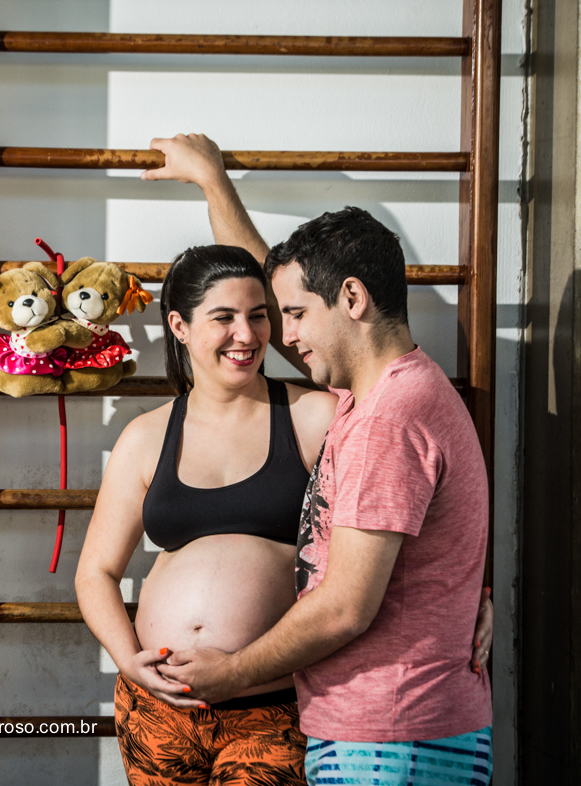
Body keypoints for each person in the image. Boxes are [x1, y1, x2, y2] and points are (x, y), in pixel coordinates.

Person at [75, 133, 493, 786]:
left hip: (319, 714)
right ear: (179, 328)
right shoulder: (152, 433)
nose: (271, 332)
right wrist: (127, 660)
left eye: (279, 316)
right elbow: (94, 569)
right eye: (224, 318)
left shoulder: (344, 408)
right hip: (173, 709)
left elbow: (380, 568)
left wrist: (470, 590)